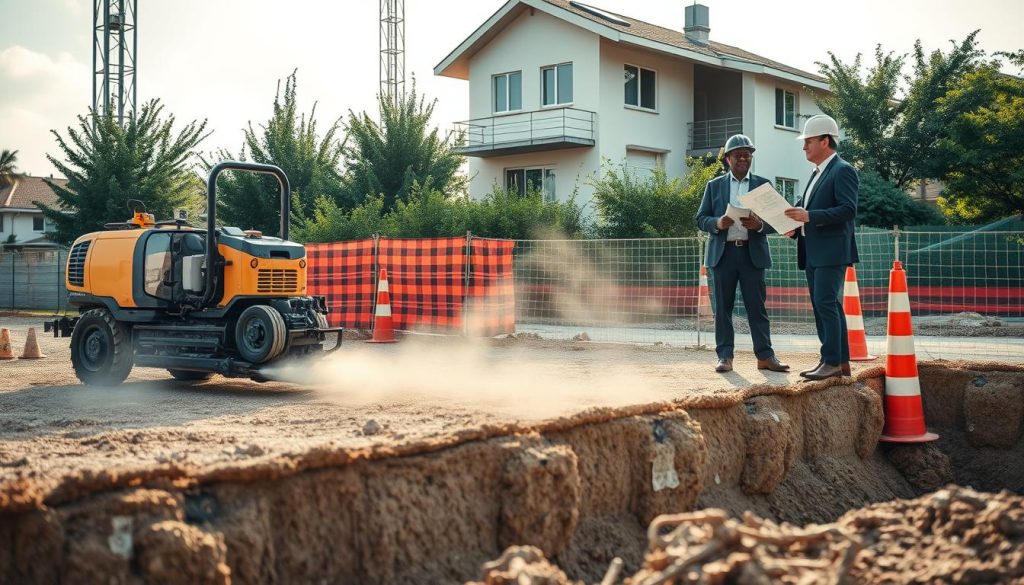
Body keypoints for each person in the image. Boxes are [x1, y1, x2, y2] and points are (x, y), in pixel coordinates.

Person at [696, 134, 789, 374]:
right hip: (723, 255)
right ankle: (725, 357)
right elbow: (701, 218)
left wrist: (758, 226)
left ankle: (765, 357)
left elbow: (778, 220)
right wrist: (718, 222)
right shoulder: (714, 186)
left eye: (748, 155)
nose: (744, 159)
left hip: (752, 255)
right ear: (728, 159)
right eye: (738, 155)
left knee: (757, 308)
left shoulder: (762, 185)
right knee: (722, 310)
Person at [783, 114, 859, 380]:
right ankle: (840, 360)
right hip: (814, 250)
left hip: (830, 252)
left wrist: (809, 217)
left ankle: (831, 361)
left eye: (808, 141)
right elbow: (810, 212)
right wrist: (796, 228)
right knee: (827, 305)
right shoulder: (817, 173)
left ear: (825, 141)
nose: (804, 147)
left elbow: (848, 209)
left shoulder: (842, 170)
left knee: (825, 303)